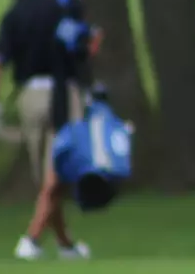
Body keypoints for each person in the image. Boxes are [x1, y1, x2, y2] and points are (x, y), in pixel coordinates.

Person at [0, 0, 103, 261]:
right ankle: (32, 239)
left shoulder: (16, 12)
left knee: (49, 174)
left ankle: (65, 245)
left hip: (29, 97)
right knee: (58, 173)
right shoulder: (68, 5)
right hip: (63, 94)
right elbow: (84, 49)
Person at [52, 82, 134, 213]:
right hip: (110, 178)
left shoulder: (80, 125)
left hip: (85, 176)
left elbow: (61, 147)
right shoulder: (117, 125)